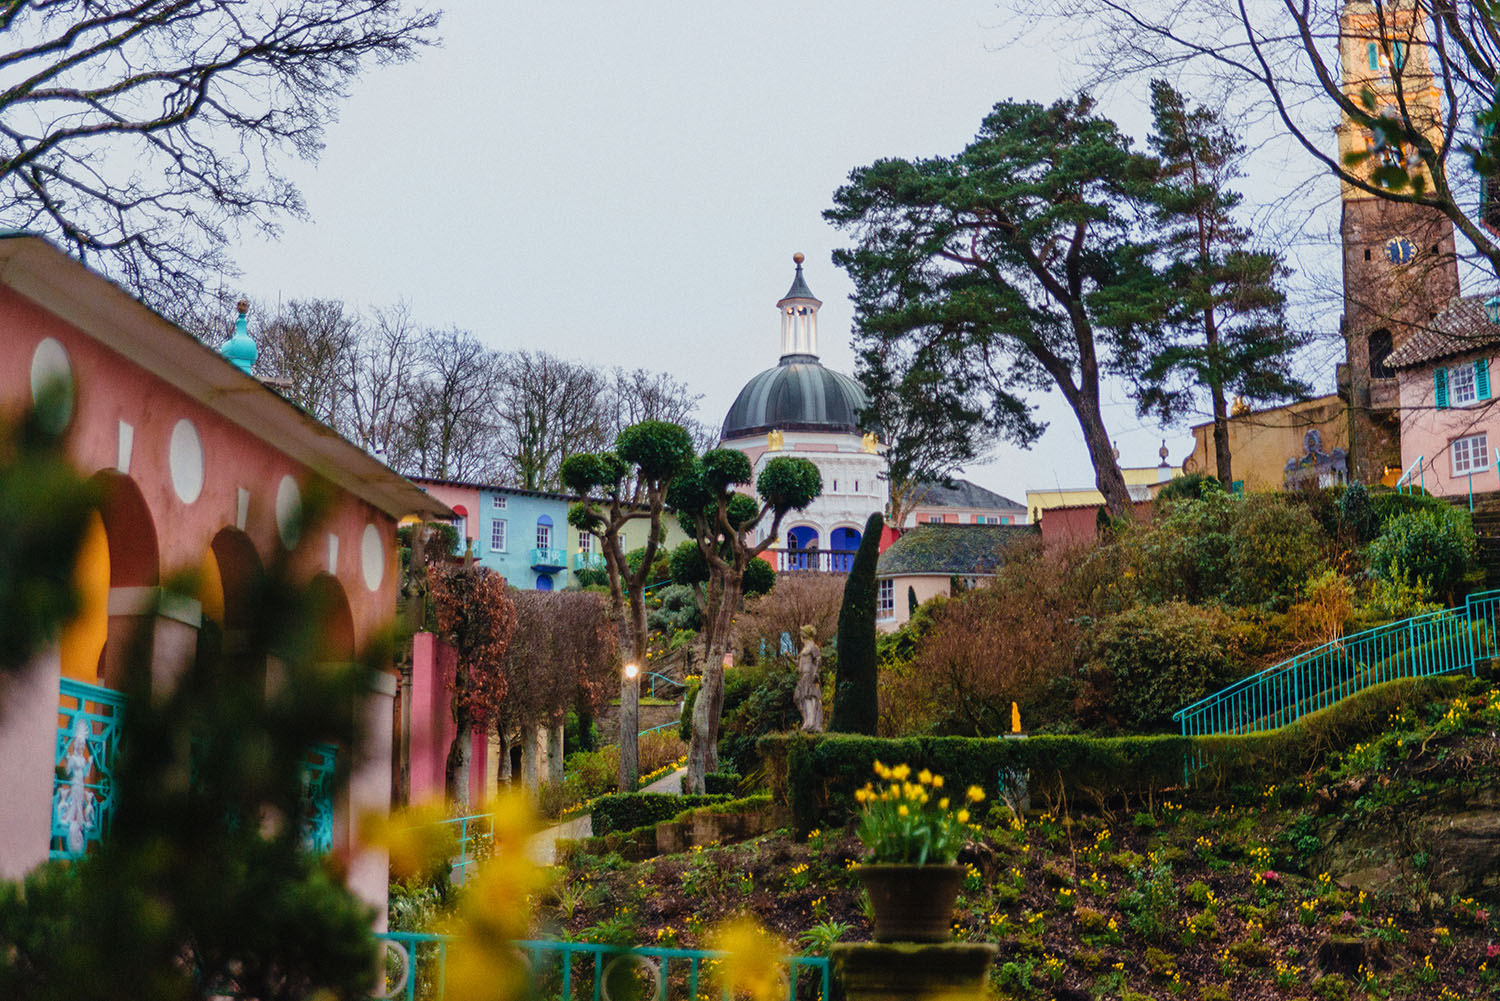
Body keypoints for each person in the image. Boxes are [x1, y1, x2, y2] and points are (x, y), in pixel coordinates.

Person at [795, 624, 823, 732]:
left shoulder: (813, 647)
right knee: (799, 697)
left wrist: (816, 673)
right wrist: (791, 660)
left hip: (810, 674)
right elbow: (800, 664)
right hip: (803, 676)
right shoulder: (805, 648)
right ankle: (807, 719)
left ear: (805, 635)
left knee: (810, 697)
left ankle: (811, 722)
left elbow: (818, 659)